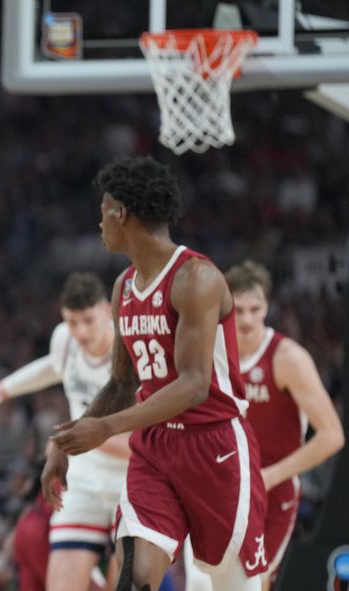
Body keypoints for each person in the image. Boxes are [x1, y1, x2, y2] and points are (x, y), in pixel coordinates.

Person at [42, 156, 267, 591]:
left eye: (102, 211)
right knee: (135, 580)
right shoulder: (124, 286)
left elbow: (194, 384)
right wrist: (66, 444)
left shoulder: (196, 277)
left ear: (121, 213)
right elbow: (123, 383)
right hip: (155, 449)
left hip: (215, 446)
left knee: (231, 583)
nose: (99, 223)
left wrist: (104, 428)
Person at [184, 260, 344, 591]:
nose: (245, 319)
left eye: (254, 309)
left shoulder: (288, 357)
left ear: (267, 307)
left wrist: (270, 476)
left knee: (252, 584)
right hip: (216, 487)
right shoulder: (206, 353)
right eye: (237, 309)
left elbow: (332, 436)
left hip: (271, 489)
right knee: (200, 585)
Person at [0, 272, 130, 591]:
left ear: (107, 312)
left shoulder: (130, 351)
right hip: (83, 481)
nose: (81, 331)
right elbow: (52, 366)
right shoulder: (64, 340)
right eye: (72, 321)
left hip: (131, 481)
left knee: (126, 581)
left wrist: (75, 438)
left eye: (88, 320)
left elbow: (146, 443)